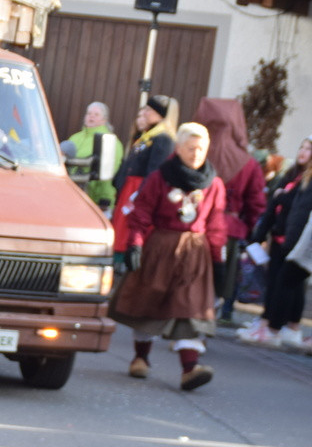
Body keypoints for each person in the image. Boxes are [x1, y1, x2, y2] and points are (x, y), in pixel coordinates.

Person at [110, 122, 226, 390]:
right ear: (178, 148)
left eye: (201, 149)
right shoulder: (160, 177)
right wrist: (134, 244)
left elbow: (217, 224)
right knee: (147, 303)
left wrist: (217, 259)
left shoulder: (214, 184)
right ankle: (140, 359)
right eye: (190, 148)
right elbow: (141, 213)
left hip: (195, 254)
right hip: (161, 247)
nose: (196, 154)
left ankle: (190, 369)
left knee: (191, 308)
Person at [191, 98, 265, 323]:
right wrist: (249, 228)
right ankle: (214, 317)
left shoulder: (194, 153)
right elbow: (256, 202)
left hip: (194, 224)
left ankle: (187, 319)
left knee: (192, 275)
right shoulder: (248, 162)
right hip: (229, 229)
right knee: (221, 277)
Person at [239, 136, 312, 349]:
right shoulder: (293, 175)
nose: (303, 152)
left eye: (309, 149)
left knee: (286, 283)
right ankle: (278, 328)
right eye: (303, 147)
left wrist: (282, 198)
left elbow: (300, 211)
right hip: (289, 238)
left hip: (297, 242)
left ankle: (272, 329)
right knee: (286, 283)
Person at [111, 95, 179, 270]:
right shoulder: (147, 136)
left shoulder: (162, 139)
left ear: (159, 115)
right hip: (129, 188)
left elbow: (154, 170)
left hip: (138, 190)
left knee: (129, 229)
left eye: (149, 110)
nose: (145, 113)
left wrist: (139, 193)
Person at [64, 101, 124, 212]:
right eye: (89, 113)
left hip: (94, 199)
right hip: (70, 194)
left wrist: (103, 199)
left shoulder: (110, 141)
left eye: (96, 114)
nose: (91, 116)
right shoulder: (74, 137)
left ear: (104, 120)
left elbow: (109, 173)